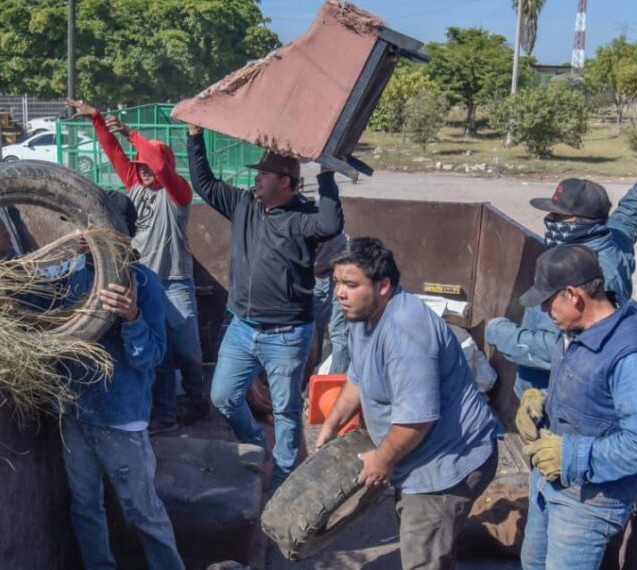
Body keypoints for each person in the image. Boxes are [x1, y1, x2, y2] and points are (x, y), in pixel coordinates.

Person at [316, 237, 500, 570]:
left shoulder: (405, 334)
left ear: (383, 285)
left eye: (350, 284)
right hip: (418, 457)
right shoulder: (361, 313)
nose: (339, 293)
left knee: (423, 553)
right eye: (337, 283)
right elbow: (357, 376)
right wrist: (330, 425)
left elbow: (416, 420)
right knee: (427, 543)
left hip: (446, 465)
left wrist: (382, 460)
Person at [185, 122, 343, 484]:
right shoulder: (244, 204)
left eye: (264, 175)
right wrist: (194, 138)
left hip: (287, 334)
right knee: (223, 396)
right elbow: (204, 185)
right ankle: (255, 443)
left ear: (285, 182)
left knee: (286, 411)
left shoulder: (303, 218)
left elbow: (332, 223)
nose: (256, 180)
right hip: (242, 328)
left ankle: (283, 476)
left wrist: (328, 172)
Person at [51, 192, 185, 570]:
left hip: (121, 421)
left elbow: (151, 358)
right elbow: (25, 292)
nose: (84, 234)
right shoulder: (70, 275)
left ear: (122, 235)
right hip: (74, 413)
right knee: (85, 507)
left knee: (144, 512)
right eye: (82, 225)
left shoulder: (143, 283)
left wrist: (133, 318)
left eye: (95, 227)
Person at [514, 244, 637, 570]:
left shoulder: (632, 357)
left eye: (547, 300)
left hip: (588, 503)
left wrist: (570, 456)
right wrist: (539, 399)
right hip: (548, 482)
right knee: (532, 563)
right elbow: (586, 386)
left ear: (573, 294)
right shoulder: (575, 327)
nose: (543, 311)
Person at [68, 99, 209, 432]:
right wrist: (98, 120)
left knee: (188, 350)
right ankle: (164, 414)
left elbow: (160, 166)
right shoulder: (135, 186)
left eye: (148, 166)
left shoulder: (177, 194)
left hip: (174, 281)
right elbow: (113, 153)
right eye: (140, 167)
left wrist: (132, 133)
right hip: (144, 282)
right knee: (156, 355)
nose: (143, 171)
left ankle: (196, 401)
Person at [486, 175, 637, 395]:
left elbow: (566, 348)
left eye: (558, 216)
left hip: (555, 397)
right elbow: (626, 219)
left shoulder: (589, 274)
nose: (549, 219)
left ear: (579, 221)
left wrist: (501, 334)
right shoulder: (610, 238)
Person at [313, 232, 350, 375]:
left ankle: (333, 387)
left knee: (339, 333)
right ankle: (311, 382)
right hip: (319, 272)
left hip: (338, 267)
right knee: (313, 330)